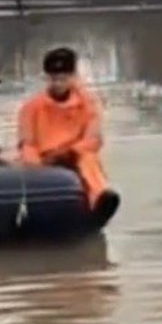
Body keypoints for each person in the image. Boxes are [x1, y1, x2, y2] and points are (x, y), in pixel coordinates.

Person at [17, 47, 120, 220]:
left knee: (88, 160)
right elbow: (27, 144)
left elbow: (93, 140)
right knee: (28, 167)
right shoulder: (31, 108)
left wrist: (71, 152)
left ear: (73, 77)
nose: (58, 84)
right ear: (46, 78)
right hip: (44, 159)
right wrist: (39, 163)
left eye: (63, 79)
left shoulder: (88, 104)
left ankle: (99, 201)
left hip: (75, 155)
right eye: (53, 79)